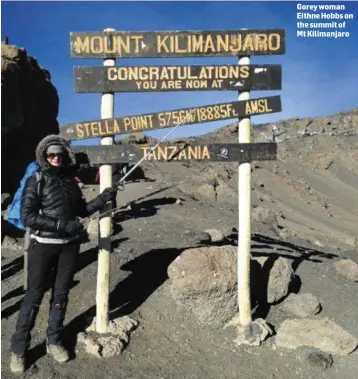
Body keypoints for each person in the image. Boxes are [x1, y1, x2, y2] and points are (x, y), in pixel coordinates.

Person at [10, 135, 116, 373]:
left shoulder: (70, 181)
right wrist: (61, 226)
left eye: (59, 154)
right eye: (51, 155)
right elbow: (28, 216)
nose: (56, 158)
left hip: (69, 246)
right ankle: (18, 350)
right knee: (33, 297)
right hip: (42, 246)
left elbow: (80, 209)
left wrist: (101, 200)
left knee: (61, 295)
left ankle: (54, 340)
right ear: (44, 157)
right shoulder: (35, 180)